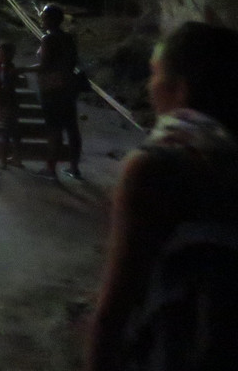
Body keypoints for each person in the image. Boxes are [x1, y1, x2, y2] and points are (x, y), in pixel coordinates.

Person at [86, 22, 238, 371]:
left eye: (154, 75)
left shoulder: (157, 168)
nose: (148, 86)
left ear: (179, 89)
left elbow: (115, 310)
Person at [28, 4, 82, 179]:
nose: (41, 19)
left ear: (51, 19)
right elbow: (72, 62)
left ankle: (51, 169)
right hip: (68, 87)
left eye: (43, 16)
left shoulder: (48, 39)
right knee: (72, 128)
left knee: (54, 130)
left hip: (52, 89)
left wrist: (21, 70)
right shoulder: (68, 38)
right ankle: (74, 167)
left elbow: (44, 64)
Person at [0, 41, 24, 168]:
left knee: (4, 133)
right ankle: (16, 159)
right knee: (14, 132)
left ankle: (3, 160)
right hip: (13, 103)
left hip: (5, 104)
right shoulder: (12, 68)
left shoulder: (4, 70)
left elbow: (4, 89)